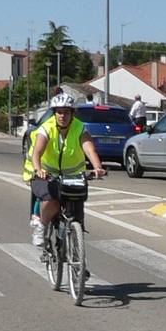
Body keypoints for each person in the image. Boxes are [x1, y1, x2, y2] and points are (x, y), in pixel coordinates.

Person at [24, 92, 106, 248]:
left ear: (72, 113)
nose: (63, 116)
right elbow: (37, 153)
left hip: (72, 176)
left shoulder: (79, 127)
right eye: (59, 112)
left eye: (66, 112)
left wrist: (97, 167)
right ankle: (41, 227)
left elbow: (89, 149)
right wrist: (38, 170)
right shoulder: (46, 128)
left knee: (77, 203)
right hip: (45, 174)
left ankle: (77, 247)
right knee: (52, 200)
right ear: (54, 113)